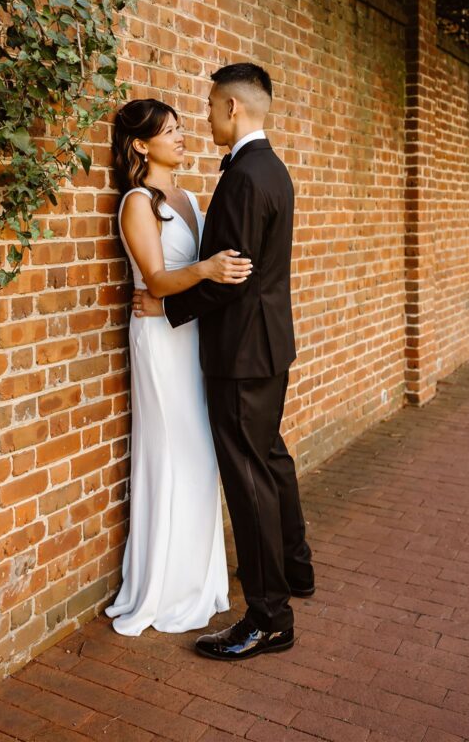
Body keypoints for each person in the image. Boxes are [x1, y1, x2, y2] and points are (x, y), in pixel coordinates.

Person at [133, 63, 314, 661]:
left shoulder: (242, 178)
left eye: (210, 108)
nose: (205, 118)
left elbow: (232, 275)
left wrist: (168, 305)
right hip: (269, 345)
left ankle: (268, 617)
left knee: (248, 477)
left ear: (233, 110)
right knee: (269, 458)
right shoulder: (273, 169)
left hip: (240, 351)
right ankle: (296, 569)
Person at [105, 98, 253, 635]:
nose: (183, 137)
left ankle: (199, 580)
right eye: (170, 132)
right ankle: (162, 589)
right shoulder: (136, 204)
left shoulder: (192, 198)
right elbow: (156, 281)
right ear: (142, 145)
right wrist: (208, 268)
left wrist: (208, 272)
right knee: (172, 451)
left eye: (182, 128)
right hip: (159, 340)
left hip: (191, 335)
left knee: (202, 454)